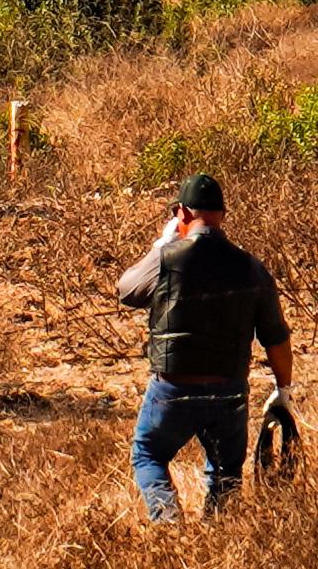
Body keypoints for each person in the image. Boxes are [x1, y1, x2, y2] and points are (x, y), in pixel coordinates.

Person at [114, 172, 294, 521]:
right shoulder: (252, 268)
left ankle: (169, 529)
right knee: (226, 475)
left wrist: (159, 248)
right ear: (222, 214)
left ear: (181, 214)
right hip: (229, 391)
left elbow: (127, 290)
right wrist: (283, 391)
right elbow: (276, 338)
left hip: (173, 389)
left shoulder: (168, 259)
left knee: (148, 455)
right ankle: (220, 538)